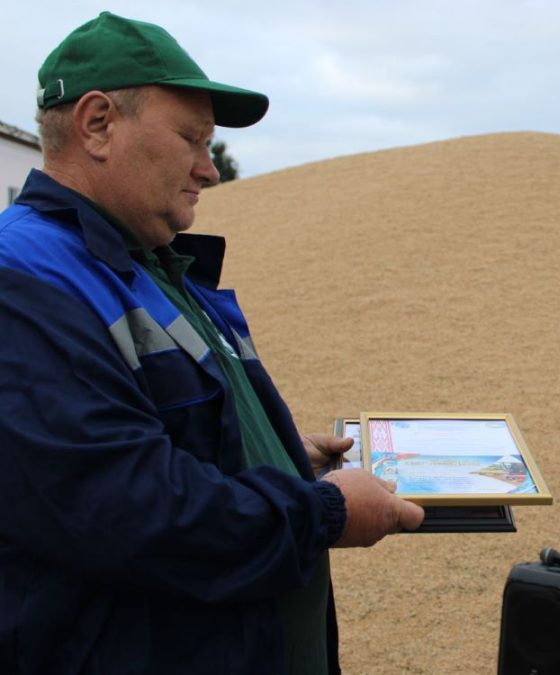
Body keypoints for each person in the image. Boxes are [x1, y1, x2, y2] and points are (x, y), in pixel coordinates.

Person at [0, 12, 424, 675]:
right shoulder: (21, 280)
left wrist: (282, 453)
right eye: (192, 138)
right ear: (97, 124)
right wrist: (327, 512)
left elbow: (162, 430)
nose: (209, 168)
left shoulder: (150, 265)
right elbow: (128, 506)